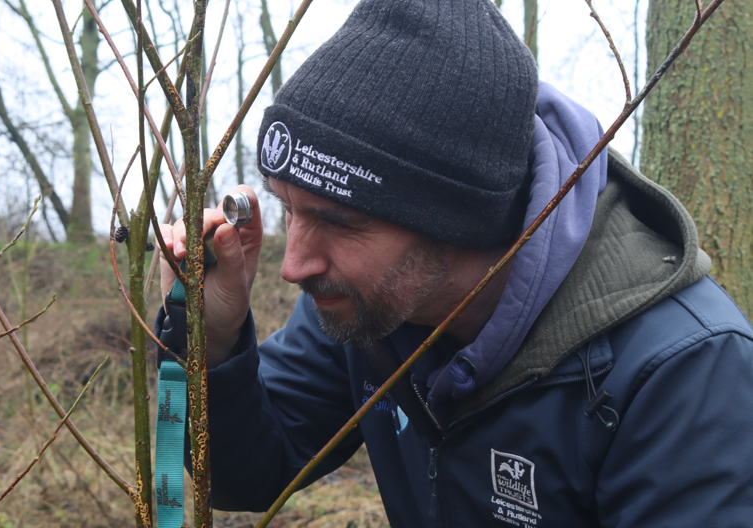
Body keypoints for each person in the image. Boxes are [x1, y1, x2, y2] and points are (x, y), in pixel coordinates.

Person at [156, 0, 753, 526]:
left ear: (458, 220)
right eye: (290, 210)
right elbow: (249, 473)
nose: (295, 266)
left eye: (338, 221)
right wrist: (212, 342)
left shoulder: (683, 371)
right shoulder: (374, 309)